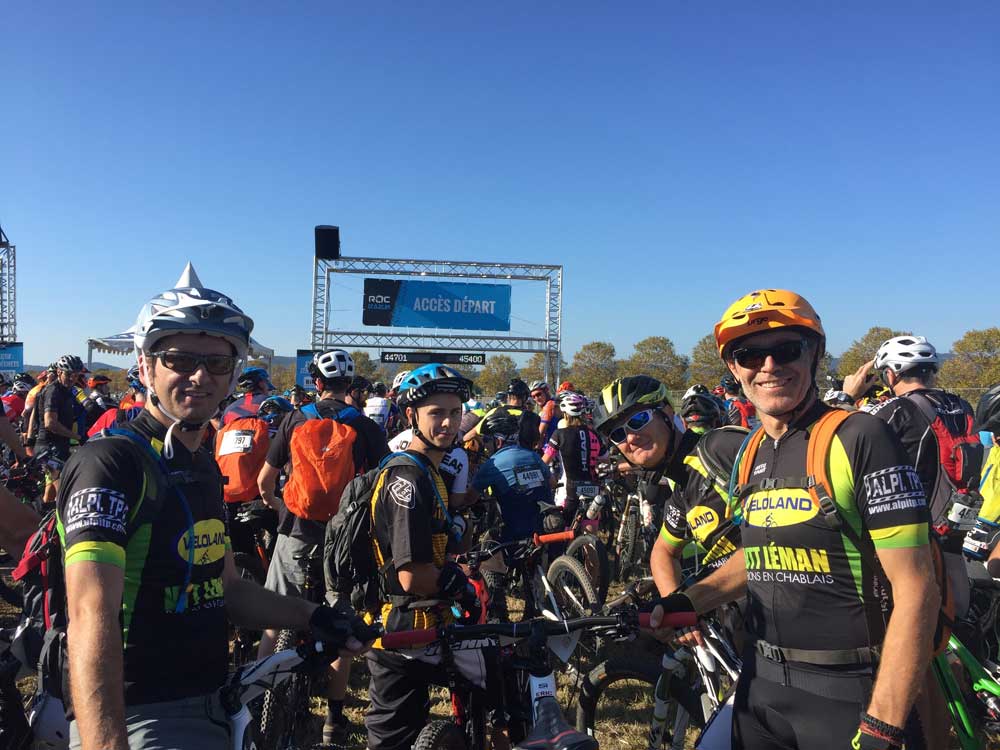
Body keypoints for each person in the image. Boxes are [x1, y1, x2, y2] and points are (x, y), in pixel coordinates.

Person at [57, 272, 367, 750]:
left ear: (232, 375)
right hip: (139, 714)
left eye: (217, 362)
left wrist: (314, 616)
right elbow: (88, 613)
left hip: (212, 699)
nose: (200, 376)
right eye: (179, 359)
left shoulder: (200, 464)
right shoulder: (112, 463)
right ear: (146, 367)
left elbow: (228, 590)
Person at [650, 289, 939, 750]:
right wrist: (689, 601)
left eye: (786, 350)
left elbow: (917, 587)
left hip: (849, 695)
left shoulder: (859, 437)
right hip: (759, 687)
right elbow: (760, 556)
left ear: (814, 354)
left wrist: (883, 724)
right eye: (749, 355)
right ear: (733, 368)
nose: (768, 366)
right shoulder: (749, 451)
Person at [257, 348, 388, 744]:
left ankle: (257, 700)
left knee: (273, 615)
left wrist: (279, 507)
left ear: (316, 383)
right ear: (350, 386)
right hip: (343, 538)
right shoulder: (364, 426)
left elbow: (265, 481)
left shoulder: (295, 418)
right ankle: (333, 719)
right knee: (340, 624)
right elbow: (381, 483)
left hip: (296, 530)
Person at [365, 364, 495, 750]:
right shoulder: (408, 478)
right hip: (404, 629)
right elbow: (411, 575)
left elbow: (443, 546)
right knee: (504, 677)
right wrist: (459, 587)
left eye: (455, 412)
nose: (449, 423)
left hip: (420, 622)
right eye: (436, 413)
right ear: (412, 416)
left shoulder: (430, 470)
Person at [842, 336, 982, 617]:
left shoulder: (897, 409)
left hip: (917, 515)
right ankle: (962, 630)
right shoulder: (961, 405)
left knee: (911, 587)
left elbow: (845, 434)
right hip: (959, 508)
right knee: (953, 565)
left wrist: (846, 397)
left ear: (891, 374)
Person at [542, 391, 606, 524]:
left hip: (569, 487)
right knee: (590, 526)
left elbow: (544, 462)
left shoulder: (559, 434)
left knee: (564, 526)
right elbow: (605, 459)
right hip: (592, 486)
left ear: (565, 414)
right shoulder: (594, 434)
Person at [35, 355, 86, 502]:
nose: (72, 378)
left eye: (76, 375)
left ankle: (39, 514)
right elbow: (50, 423)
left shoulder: (68, 391)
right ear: (59, 372)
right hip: (49, 448)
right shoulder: (53, 391)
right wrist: (78, 437)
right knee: (65, 495)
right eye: (68, 374)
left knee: (50, 496)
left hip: (58, 446)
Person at [530, 380, 559, 445]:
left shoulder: (549, 405)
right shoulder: (554, 402)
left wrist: (537, 445)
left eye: (538, 394)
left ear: (546, 391)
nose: (536, 398)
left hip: (550, 446)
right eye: (533, 397)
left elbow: (541, 432)